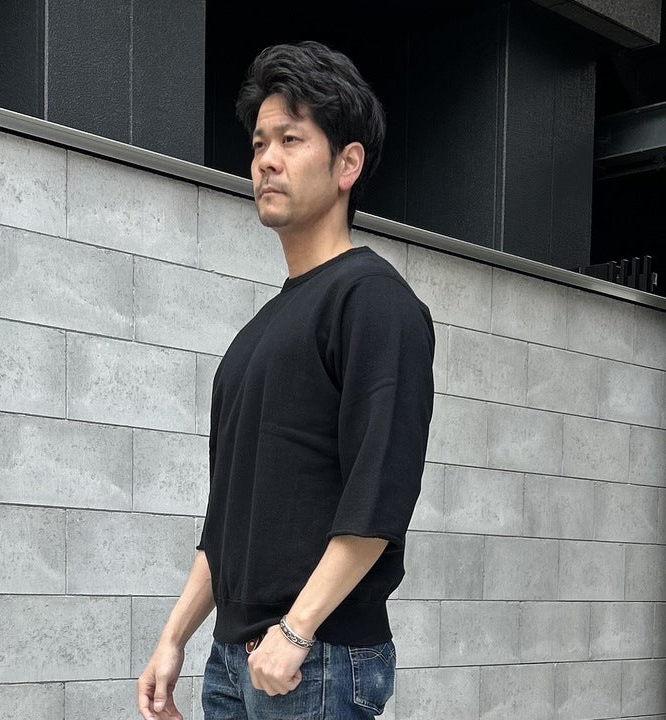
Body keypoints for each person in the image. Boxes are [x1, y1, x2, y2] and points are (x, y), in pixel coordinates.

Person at [138, 40, 435, 720]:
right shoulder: (256, 336)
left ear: (347, 164)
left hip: (315, 657)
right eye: (259, 143)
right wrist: (174, 636)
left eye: (291, 140)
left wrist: (297, 630)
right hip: (237, 657)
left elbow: (379, 494)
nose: (266, 159)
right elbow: (229, 517)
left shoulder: (373, 300)